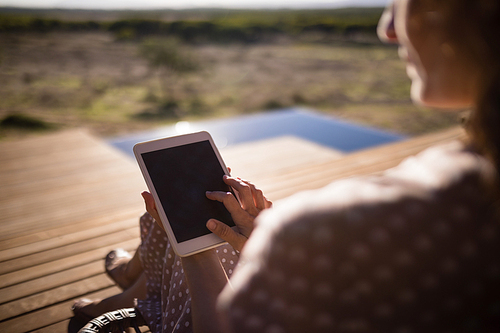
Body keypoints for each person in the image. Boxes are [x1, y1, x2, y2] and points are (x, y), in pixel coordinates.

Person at [74, 0, 500, 332]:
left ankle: (121, 284)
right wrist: (266, 244)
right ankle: (128, 275)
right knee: (213, 230)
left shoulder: (333, 230)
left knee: (190, 234)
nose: (387, 29)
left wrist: (199, 254)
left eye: (404, 3)